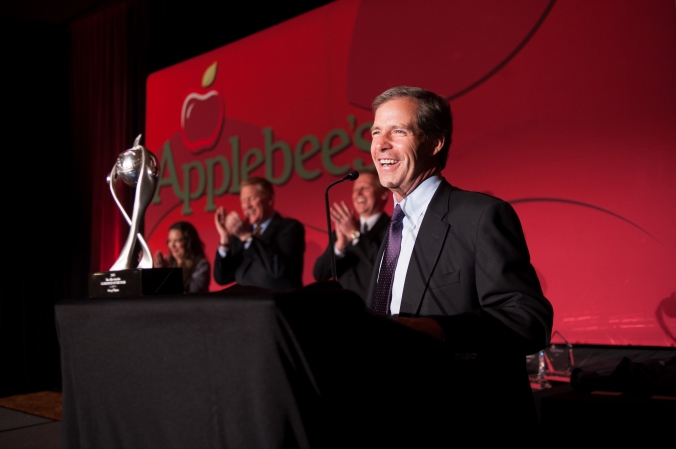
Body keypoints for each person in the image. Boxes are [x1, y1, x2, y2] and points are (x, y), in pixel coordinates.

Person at [367, 86, 554, 437]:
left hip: (464, 419)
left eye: (398, 131)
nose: (381, 144)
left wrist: (441, 330)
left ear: (436, 142)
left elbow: (528, 319)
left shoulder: (481, 216)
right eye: (376, 132)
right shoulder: (391, 230)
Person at [213, 177, 305, 291]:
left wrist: (246, 237)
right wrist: (225, 240)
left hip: (277, 305)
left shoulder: (289, 228)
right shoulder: (242, 232)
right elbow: (222, 278)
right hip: (245, 305)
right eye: (243, 200)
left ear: (270, 199)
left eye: (252, 198)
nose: (247, 206)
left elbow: (279, 270)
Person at [312, 169, 390, 302]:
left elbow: (385, 268)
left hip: (375, 312)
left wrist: (355, 235)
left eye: (365, 188)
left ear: (383, 194)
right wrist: (339, 247)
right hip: (344, 311)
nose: (358, 193)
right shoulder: (345, 228)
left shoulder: (392, 227)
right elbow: (319, 273)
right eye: (355, 189)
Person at [154, 221, 211, 293]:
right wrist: (156, 272)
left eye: (177, 240)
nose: (172, 245)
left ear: (189, 242)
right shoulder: (168, 263)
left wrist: (166, 273)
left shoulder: (201, 265)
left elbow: (193, 290)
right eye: (169, 240)